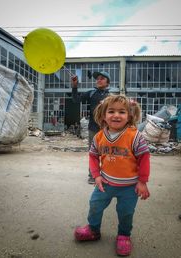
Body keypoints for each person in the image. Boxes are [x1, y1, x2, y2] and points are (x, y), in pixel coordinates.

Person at [74, 95, 150, 256]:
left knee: (126, 213)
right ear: (103, 115)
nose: (116, 115)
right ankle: (93, 229)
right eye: (111, 111)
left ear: (129, 116)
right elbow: (93, 156)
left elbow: (144, 158)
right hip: (105, 184)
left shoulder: (135, 136)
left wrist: (142, 182)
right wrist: (96, 176)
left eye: (122, 112)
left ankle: (124, 235)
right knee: (95, 205)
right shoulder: (99, 137)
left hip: (130, 187)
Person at [71, 71, 111, 184]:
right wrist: (74, 86)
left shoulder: (111, 97)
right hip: (93, 128)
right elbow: (76, 100)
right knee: (93, 153)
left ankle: (107, 175)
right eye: (97, 78)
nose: (98, 80)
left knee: (108, 153)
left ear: (108, 82)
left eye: (102, 78)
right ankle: (92, 175)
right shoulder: (91, 93)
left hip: (108, 130)